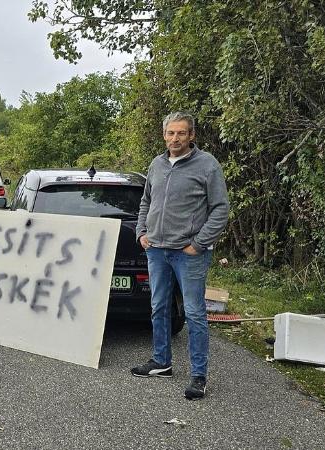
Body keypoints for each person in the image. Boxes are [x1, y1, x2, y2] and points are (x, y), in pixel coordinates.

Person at [131, 111, 229, 400]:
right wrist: (141, 232)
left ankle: (199, 376)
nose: (175, 138)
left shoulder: (207, 165)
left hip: (189, 254)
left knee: (195, 313)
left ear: (191, 136)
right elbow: (146, 200)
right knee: (159, 307)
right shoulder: (157, 164)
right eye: (171, 133)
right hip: (157, 250)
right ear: (164, 135)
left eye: (181, 133)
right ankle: (162, 362)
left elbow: (220, 208)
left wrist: (199, 244)